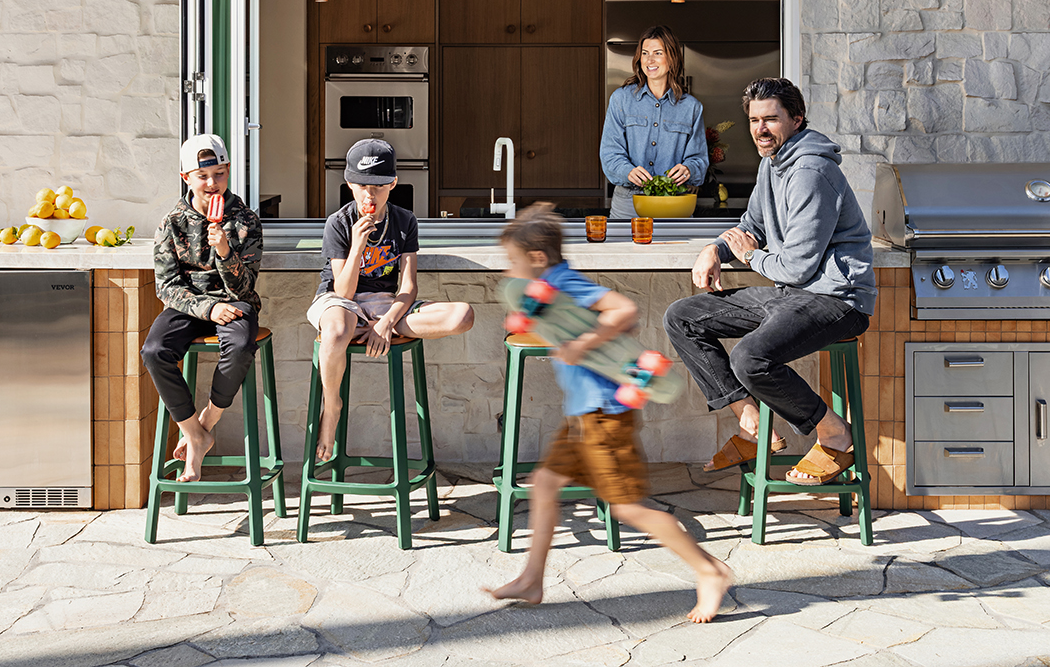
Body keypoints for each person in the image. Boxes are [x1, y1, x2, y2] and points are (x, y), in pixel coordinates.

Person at [484, 203, 732, 623]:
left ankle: (711, 571)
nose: (512, 268)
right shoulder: (547, 290)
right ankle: (531, 578)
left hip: (605, 416)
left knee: (628, 507)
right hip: (582, 415)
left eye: (515, 260)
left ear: (539, 259)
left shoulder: (565, 283)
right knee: (545, 484)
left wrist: (585, 343)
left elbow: (624, 311)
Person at [662, 78, 875, 487]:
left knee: (749, 358)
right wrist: (716, 249)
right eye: (754, 120)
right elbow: (752, 227)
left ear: (796, 119)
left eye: (771, 119)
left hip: (837, 300)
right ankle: (751, 423)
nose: (761, 129)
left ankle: (835, 433)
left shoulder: (811, 171)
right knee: (683, 316)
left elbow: (795, 265)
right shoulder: (771, 165)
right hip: (792, 295)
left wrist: (747, 256)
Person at [307, 139, 475, 462]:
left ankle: (371, 327)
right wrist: (357, 245)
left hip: (387, 306)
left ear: (393, 184)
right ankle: (332, 407)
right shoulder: (338, 224)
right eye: (362, 186)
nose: (370, 195)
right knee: (337, 329)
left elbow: (408, 287)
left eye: (379, 186)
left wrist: (385, 324)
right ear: (349, 184)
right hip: (339, 303)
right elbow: (342, 292)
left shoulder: (404, 221)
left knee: (462, 316)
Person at [145, 133, 264, 484]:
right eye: (203, 176)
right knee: (154, 351)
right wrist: (208, 309)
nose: (213, 184)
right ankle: (194, 434)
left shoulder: (246, 220)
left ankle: (205, 425)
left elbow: (245, 288)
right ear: (187, 178)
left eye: (220, 174)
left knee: (242, 345)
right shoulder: (171, 223)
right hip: (191, 305)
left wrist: (226, 252)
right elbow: (166, 286)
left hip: (235, 301)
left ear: (228, 172)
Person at [599, 25, 709, 219]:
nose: (650, 60)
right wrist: (628, 171)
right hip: (628, 205)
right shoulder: (621, 99)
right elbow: (609, 153)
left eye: (658, 53)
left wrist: (688, 169)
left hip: (674, 203)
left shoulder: (691, 107)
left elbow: (699, 159)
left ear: (672, 58)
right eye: (645, 53)